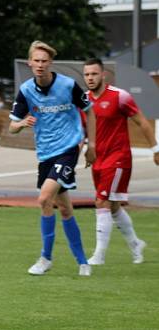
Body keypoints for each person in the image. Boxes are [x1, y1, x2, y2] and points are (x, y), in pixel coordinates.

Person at [8, 40, 96, 277]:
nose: (40, 65)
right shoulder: (26, 90)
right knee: (65, 209)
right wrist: (22, 123)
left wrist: (91, 145)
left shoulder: (68, 85)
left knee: (44, 198)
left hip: (68, 149)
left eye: (44, 61)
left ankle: (46, 258)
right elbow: (11, 127)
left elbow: (89, 110)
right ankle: (82, 261)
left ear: (51, 63)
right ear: (29, 63)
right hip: (45, 154)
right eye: (36, 60)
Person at [82, 58, 159, 265]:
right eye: (87, 74)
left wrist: (155, 148)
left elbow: (142, 122)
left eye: (94, 74)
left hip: (118, 158)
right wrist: (86, 149)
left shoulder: (120, 96)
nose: (90, 78)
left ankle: (99, 255)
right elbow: (85, 131)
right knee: (113, 205)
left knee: (101, 201)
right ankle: (135, 244)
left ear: (103, 75)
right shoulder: (84, 100)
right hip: (99, 160)